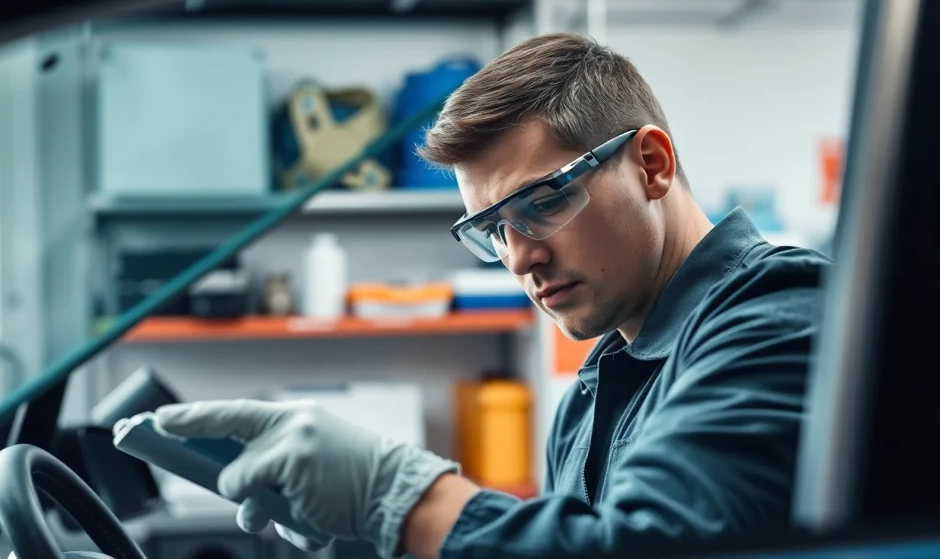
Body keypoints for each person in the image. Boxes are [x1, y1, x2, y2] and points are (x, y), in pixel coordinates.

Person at [154, 33, 830, 559]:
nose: (520, 257)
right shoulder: (587, 403)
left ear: (650, 165)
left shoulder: (781, 313)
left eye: (544, 201)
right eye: (493, 230)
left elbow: (645, 547)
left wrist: (399, 496)